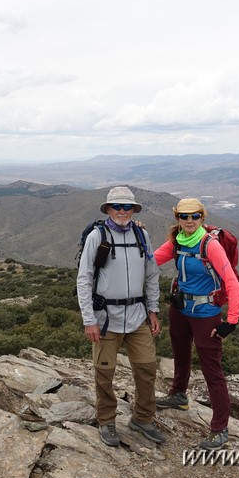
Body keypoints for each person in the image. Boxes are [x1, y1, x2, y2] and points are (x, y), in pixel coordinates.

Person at [76, 186, 164, 447]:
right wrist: (88, 319)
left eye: (127, 207)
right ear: (109, 209)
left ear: (133, 210)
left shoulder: (142, 234)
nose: (122, 211)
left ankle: (143, 418)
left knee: (147, 368)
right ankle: (107, 421)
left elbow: (151, 273)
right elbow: (84, 279)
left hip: (137, 316)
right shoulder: (97, 236)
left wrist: (153, 309)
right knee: (105, 373)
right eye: (118, 207)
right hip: (105, 319)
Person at [153, 198, 239, 450]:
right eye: (184, 216)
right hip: (180, 309)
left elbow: (232, 282)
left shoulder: (209, 245)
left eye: (194, 216)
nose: (189, 221)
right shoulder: (176, 242)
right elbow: (151, 260)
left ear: (202, 218)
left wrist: (231, 321)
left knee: (212, 371)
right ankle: (179, 395)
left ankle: (220, 428)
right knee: (180, 356)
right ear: (177, 218)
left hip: (206, 314)